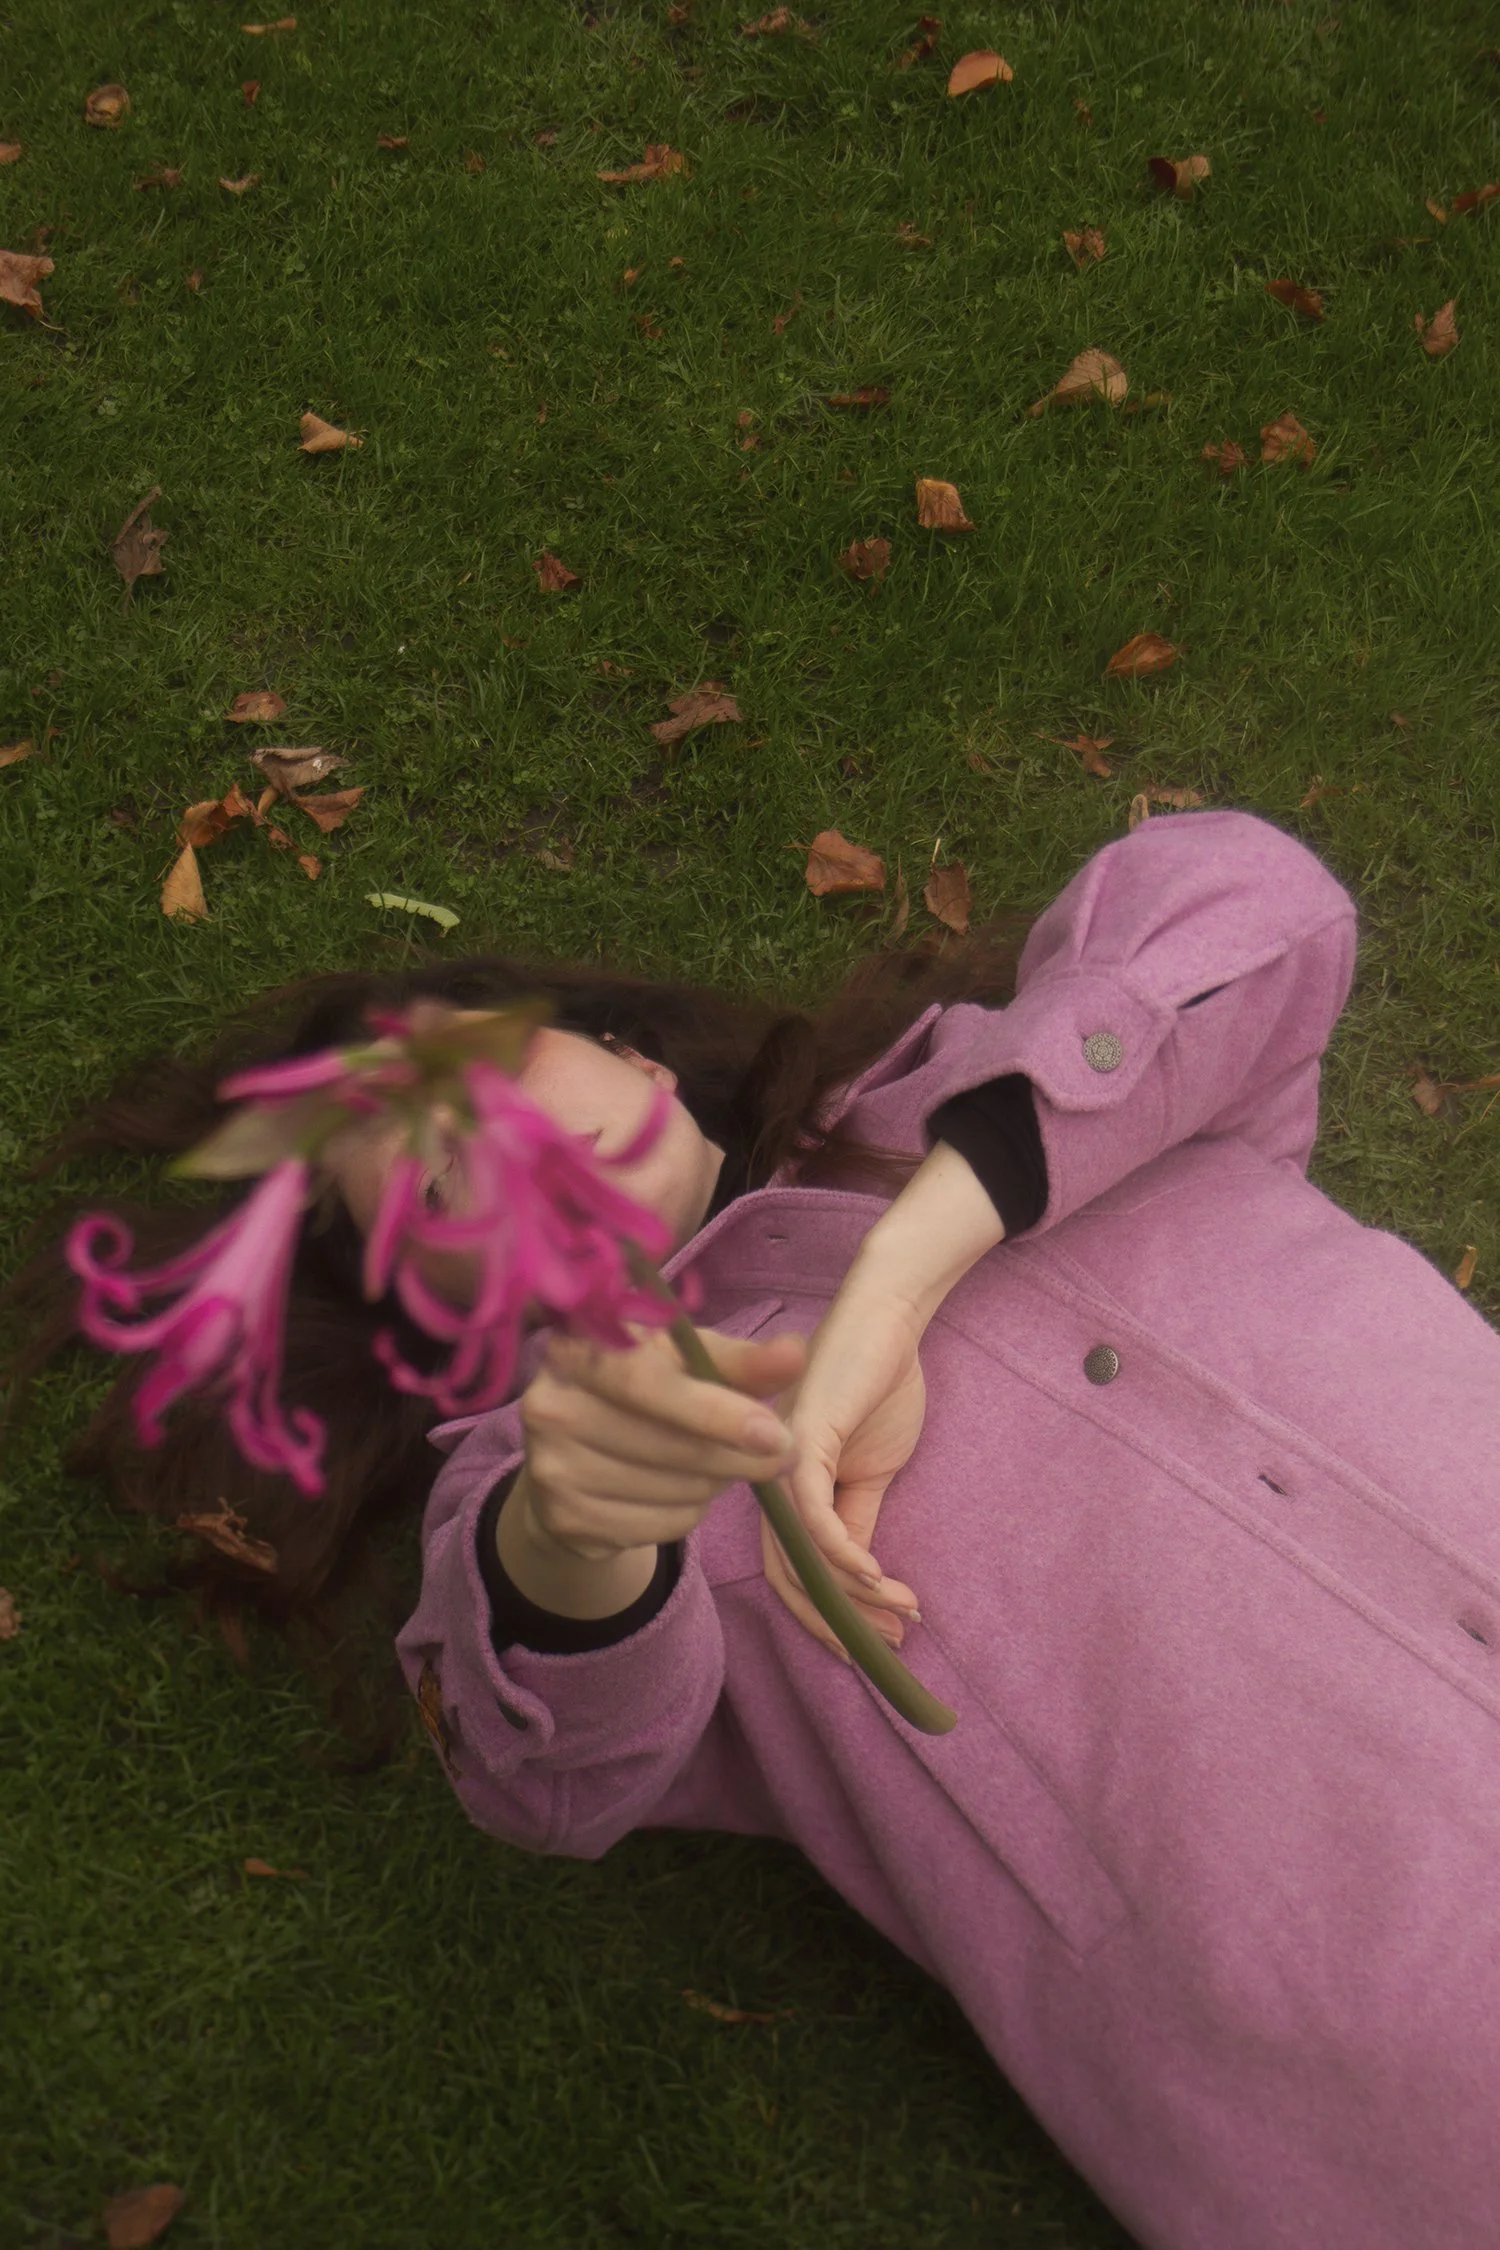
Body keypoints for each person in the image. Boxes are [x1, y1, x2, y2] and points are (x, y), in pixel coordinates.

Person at [14, 807, 1500, 2250]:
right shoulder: (562, 1471)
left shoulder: (972, 1085)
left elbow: (1261, 897)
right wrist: (583, 1519)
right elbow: (539, 1759)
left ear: (627, 1051)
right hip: (1402, 2062)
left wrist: (913, 1261)